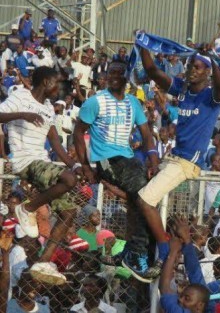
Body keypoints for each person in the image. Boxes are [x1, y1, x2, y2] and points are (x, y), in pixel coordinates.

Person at [137, 45, 220, 277]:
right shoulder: (183, 89)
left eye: (197, 67)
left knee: (145, 201)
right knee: (138, 198)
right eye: (190, 65)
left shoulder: (211, 97)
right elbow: (152, 71)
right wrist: (142, 44)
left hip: (187, 163)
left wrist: (213, 58)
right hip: (172, 158)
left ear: (207, 72)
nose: (191, 70)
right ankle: (138, 251)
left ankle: (164, 253)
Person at [73, 61, 159, 282]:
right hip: (107, 160)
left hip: (128, 159)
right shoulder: (96, 102)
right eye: (110, 72)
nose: (114, 76)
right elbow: (78, 132)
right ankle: (137, 256)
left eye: (120, 73)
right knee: (144, 199)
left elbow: (146, 133)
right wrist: (85, 165)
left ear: (127, 78)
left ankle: (131, 253)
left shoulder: (133, 103)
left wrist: (152, 159)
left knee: (143, 201)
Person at [0, 66, 82, 265]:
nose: (58, 89)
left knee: (69, 212)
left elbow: (56, 143)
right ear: (46, 82)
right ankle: (27, 208)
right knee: (68, 180)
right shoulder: (21, 96)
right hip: (25, 161)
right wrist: (22, 115)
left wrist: (75, 165)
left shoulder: (47, 107)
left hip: (42, 162)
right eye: (56, 83)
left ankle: (43, 263)